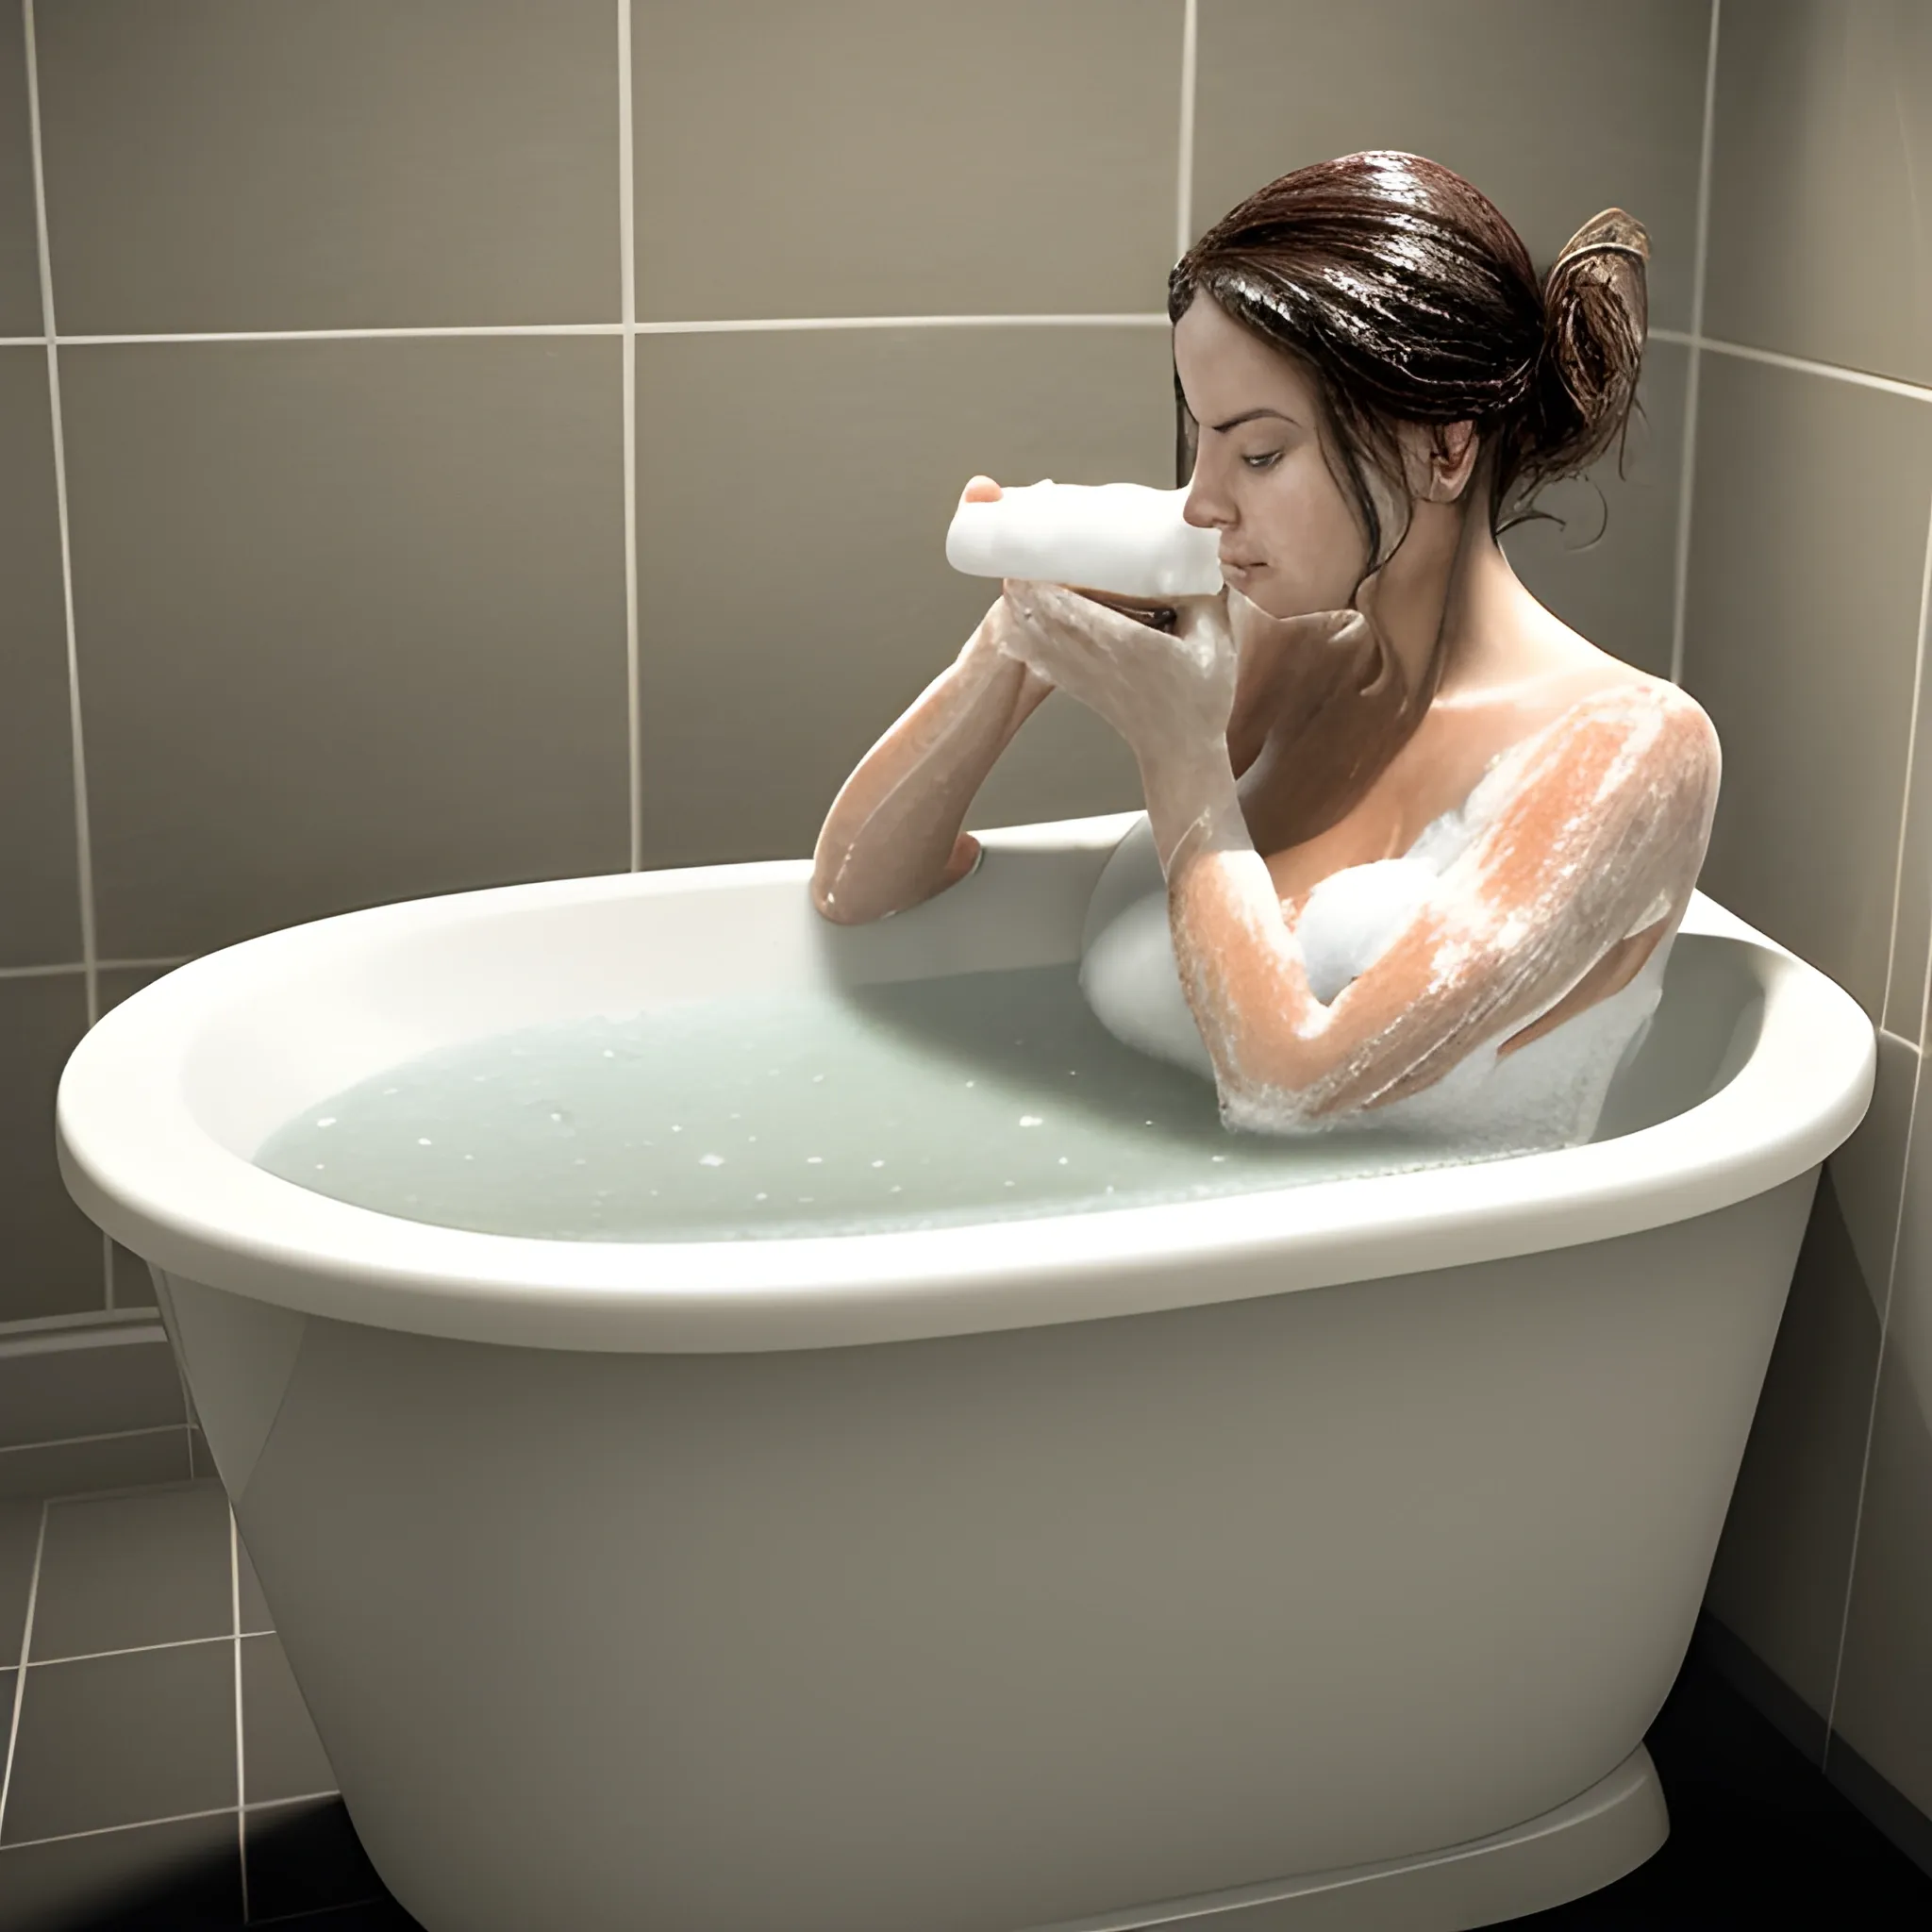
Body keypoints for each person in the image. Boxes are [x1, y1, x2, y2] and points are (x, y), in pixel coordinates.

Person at [810, 152, 1719, 1152]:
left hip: (1399, 1291)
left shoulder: (1630, 748)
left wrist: (1181, 755)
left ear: (1443, 448)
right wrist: (1027, 630)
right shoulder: (1303, 657)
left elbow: (1290, 1083)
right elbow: (860, 892)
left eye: (1256, 453)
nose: (1202, 501)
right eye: (1198, 442)